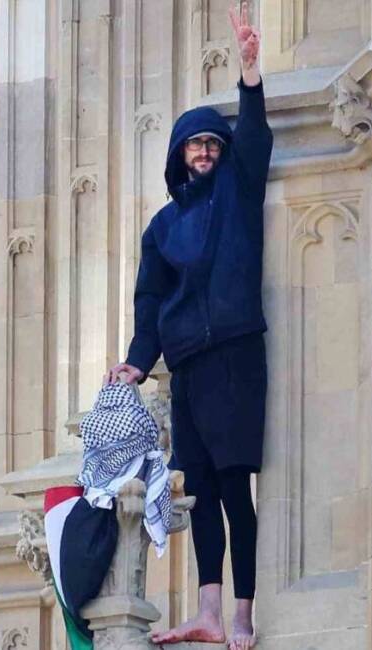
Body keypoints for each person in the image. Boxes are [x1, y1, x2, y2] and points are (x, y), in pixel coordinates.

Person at [104, 3, 270, 648]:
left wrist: (250, 74)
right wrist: (135, 364)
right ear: (179, 155)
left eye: (211, 144)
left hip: (234, 351)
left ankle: (243, 614)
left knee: (234, 485)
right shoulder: (162, 228)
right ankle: (206, 609)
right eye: (194, 145)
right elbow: (150, 307)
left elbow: (254, 140)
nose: (204, 153)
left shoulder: (238, 189)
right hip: (189, 363)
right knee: (197, 489)